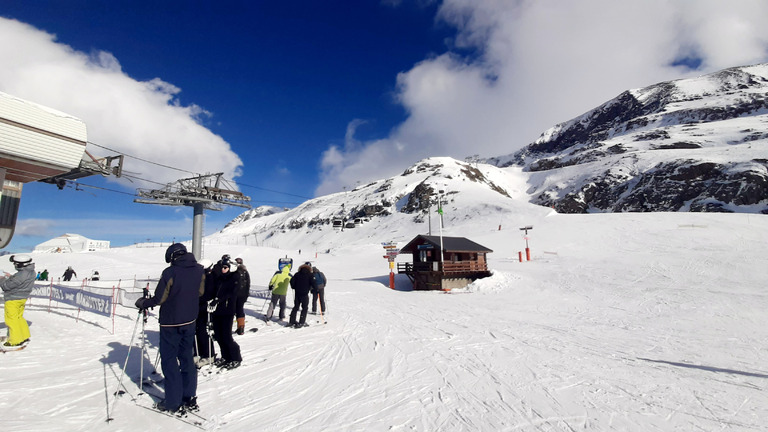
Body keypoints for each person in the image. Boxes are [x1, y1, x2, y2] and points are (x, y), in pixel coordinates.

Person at [134, 243, 204, 414]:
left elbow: (159, 298)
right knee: (187, 358)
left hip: (170, 323)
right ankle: (189, 396)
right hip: (190, 320)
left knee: (170, 360)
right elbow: (200, 292)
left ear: (172, 257)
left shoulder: (170, 272)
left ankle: (173, 402)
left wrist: (144, 303)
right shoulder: (199, 270)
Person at [209, 261, 242, 369]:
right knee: (218, 335)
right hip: (217, 310)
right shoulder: (220, 278)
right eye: (222, 267)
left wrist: (218, 299)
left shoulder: (235, 278)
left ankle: (235, 357)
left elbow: (231, 292)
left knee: (227, 336)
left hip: (228, 311)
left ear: (231, 268)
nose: (223, 269)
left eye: (225, 267)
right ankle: (225, 356)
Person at [0, 255, 35, 347]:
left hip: (13, 299)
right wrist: (10, 276)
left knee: (11, 320)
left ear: (20, 264)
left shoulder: (21, 274)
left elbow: (6, 286)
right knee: (19, 317)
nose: (15, 265)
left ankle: (15, 340)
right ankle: (24, 336)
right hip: (21, 298)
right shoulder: (30, 271)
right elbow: (20, 281)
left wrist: (1, 278)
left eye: (15, 264)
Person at [194, 259, 217, 367]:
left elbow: (209, 294)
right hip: (198, 307)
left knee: (204, 331)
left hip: (206, 308)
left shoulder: (211, 278)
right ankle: (199, 352)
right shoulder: (200, 278)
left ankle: (209, 355)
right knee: (197, 330)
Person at [289, 262, 318, 329]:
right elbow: (314, 283)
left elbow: (292, 281)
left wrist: (293, 286)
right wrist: (314, 290)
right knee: (304, 308)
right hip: (305, 294)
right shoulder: (310, 275)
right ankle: (301, 322)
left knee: (296, 307)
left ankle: (291, 321)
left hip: (297, 293)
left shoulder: (297, 274)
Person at [233, 257, 251, 335]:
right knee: (240, 310)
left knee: (231, 310)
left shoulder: (234, 271)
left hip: (234, 294)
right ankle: (241, 327)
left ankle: (228, 327)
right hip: (243, 294)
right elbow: (248, 284)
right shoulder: (245, 272)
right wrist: (246, 295)